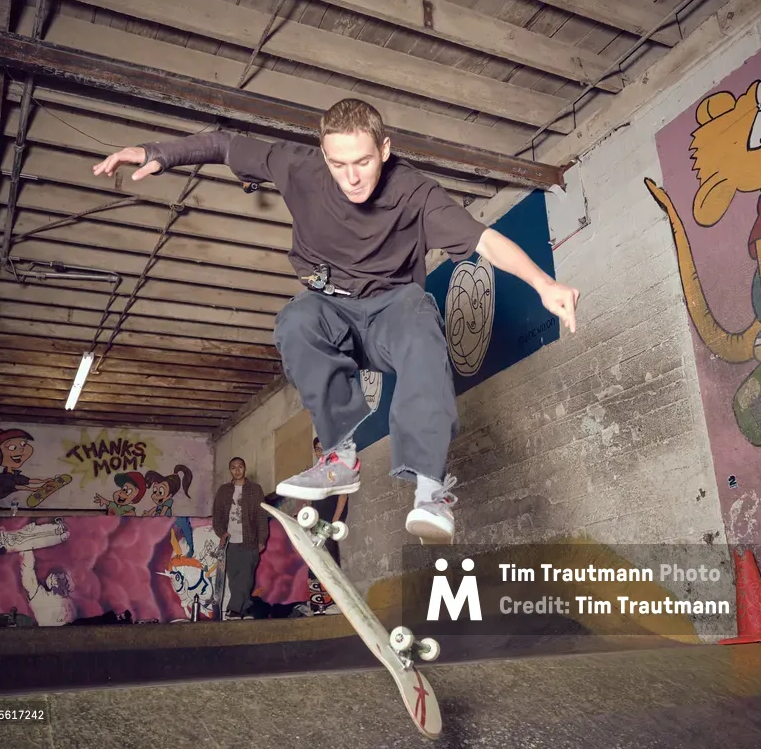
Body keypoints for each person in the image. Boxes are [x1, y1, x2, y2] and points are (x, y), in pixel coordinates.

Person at [93, 99, 579, 544]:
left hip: (392, 309)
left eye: (363, 162)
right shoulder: (298, 167)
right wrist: (158, 151)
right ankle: (340, 456)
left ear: (385, 149)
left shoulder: (414, 192)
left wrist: (543, 284)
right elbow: (224, 144)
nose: (351, 178)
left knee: (420, 323)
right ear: (323, 154)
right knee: (295, 319)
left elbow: (485, 241)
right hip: (332, 309)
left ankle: (430, 489)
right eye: (338, 163)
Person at [211, 457, 268, 620]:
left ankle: (234, 609)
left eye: (240, 467)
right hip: (230, 542)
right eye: (233, 467)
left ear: (245, 469)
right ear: (230, 470)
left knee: (246, 576)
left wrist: (262, 539)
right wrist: (222, 533)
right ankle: (246, 608)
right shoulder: (223, 491)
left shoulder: (255, 490)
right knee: (234, 578)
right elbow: (217, 517)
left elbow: (261, 516)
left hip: (250, 539)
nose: (237, 470)